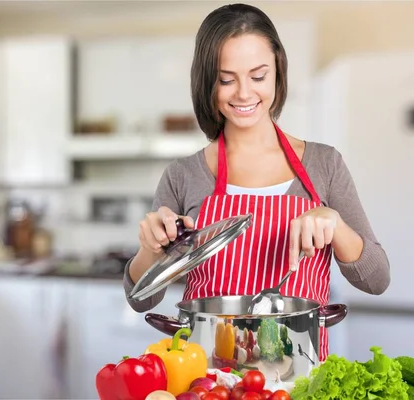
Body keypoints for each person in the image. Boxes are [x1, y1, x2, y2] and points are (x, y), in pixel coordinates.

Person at [123, 3, 390, 361]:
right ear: (207, 82)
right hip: (207, 381)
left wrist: (335, 223)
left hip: (297, 378)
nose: (244, 93)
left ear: (278, 72)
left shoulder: (324, 164)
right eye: (226, 79)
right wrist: (150, 250)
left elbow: (376, 281)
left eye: (258, 76)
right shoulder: (183, 175)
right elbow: (142, 299)